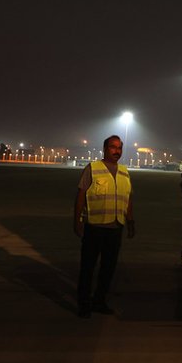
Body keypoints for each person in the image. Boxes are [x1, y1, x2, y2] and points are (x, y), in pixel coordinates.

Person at [74, 135, 135, 318]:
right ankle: (84, 303)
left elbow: (128, 198)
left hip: (116, 227)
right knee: (88, 267)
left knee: (108, 268)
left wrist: (130, 221)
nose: (117, 151)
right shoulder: (92, 168)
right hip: (95, 227)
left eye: (119, 147)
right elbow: (80, 195)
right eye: (113, 147)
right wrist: (77, 221)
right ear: (105, 149)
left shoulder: (124, 172)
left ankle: (99, 301)